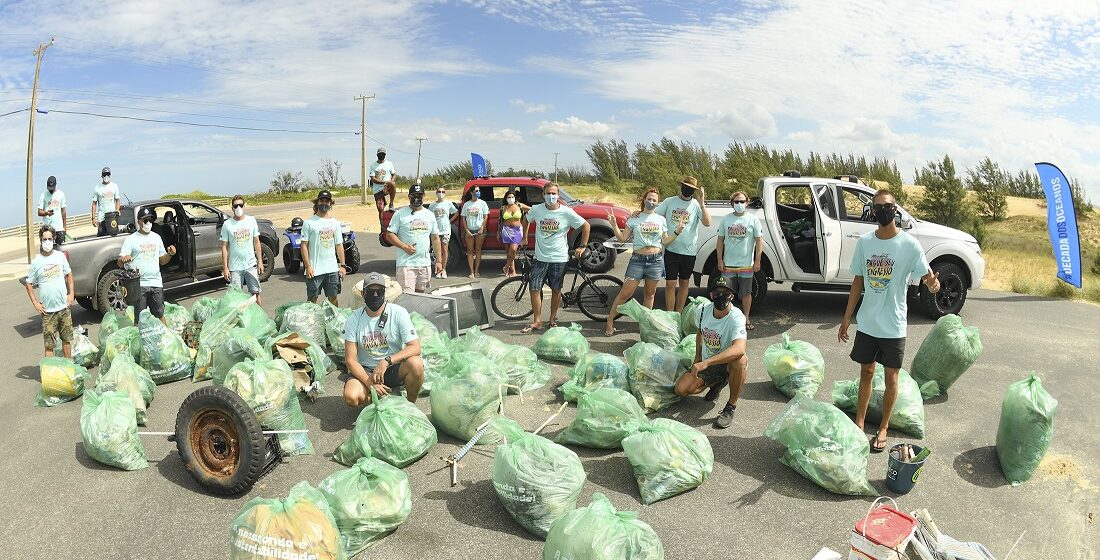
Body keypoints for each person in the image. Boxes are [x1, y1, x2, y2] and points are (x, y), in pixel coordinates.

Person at [838, 189, 941, 453]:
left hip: (894, 325)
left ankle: (883, 427)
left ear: (895, 209)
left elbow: (929, 277)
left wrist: (933, 284)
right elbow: (858, 281)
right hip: (869, 323)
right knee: (866, 372)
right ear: (873, 211)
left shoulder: (909, 245)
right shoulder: (865, 243)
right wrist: (847, 318)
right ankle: (859, 423)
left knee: (891, 378)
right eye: (878, 207)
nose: (883, 210)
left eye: (888, 206)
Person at [604, 188, 684, 336]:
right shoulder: (635, 218)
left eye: (654, 200)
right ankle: (610, 321)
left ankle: (645, 327)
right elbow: (622, 239)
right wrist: (614, 225)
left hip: (656, 260)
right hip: (638, 260)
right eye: (649, 199)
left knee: (650, 295)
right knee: (625, 293)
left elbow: (665, 241)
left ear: (658, 203)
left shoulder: (660, 219)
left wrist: (677, 231)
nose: (651, 202)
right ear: (644, 200)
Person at [673, 276, 748, 429]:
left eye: (725, 293)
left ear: (732, 295)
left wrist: (706, 363)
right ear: (711, 295)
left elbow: (739, 349)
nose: (721, 296)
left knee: (739, 361)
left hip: (726, 362)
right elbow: (700, 331)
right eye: (717, 292)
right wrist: (698, 358)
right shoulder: (701, 311)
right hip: (709, 361)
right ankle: (717, 382)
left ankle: (730, 407)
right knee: (681, 389)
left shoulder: (736, 316)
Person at [343, 272, 425, 406]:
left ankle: (410, 405)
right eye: (371, 291)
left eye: (379, 291)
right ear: (364, 294)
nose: (375, 295)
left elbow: (415, 347)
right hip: (366, 370)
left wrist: (386, 361)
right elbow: (350, 360)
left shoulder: (399, 313)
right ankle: (379, 399)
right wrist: (370, 383)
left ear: (384, 292)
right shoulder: (353, 319)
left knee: (416, 364)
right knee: (351, 397)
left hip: (392, 367)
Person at [520, 182, 590, 333]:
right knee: (534, 288)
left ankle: (552, 319)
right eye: (548, 193)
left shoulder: (566, 212)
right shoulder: (536, 210)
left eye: (554, 193)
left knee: (556, 289)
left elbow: (586, 225)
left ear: (558, 195)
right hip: (540, 257)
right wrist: (524, 237)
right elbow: (526, 219)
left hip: (559, 257)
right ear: (543, 195)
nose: (551, 196)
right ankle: (537, 321)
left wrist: (582, 245)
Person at [655, 175, 711, 312]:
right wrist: (640, 213)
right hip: (671, 249)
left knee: (684, 283)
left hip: (689, 251)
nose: (688, 190)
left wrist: (702, 204)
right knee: (670, 284)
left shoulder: (696, 205)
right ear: (681, 186)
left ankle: (678, 314)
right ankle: (670, 315)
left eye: (691, 189)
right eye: (686, 187)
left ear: (694, 191)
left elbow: (707, 222)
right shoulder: (669, 202)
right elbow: (654, 215)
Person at [117, 207, 177, 327]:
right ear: (138, 221)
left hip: (156, 283)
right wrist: (124, 259)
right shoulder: (131, 239)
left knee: (159, 315)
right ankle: (140, 343)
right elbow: (119, 262)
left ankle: (164, 339)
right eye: (145, 220)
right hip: (140, 285)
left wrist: (170, 254)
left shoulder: (156, 237)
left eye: (150, 220)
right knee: (140, 319)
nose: (148, 223)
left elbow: (162, 261)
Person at [23, 227, 74, 358]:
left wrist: (71, 293)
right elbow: (28, 283)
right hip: (48, 312)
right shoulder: (36, 262)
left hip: (63, 308)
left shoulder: (60, 256)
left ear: (54, 239)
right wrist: (35, 303)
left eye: (49, 239)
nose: (47, 242)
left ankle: (69, 367)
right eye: (44, 239)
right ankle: (50, 373)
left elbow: (69, 274)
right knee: (49, 345)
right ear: (40, 241)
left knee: (66, 340)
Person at [716, 191, 764, 330]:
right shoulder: (725, 219)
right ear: (732, 203)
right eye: (736, 202)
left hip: (746, 265)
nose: (739, 204)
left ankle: (746, 318)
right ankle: (726, 319)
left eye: (742, 201)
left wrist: (757, 261)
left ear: (747, 203)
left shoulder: (753, 219)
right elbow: (720, 241)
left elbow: (759, 241)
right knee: (725, 293)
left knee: (746, 293)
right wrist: (720, 260)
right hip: (728, 265)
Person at [386, 184, 443, 293]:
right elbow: (389, 234)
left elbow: (435, 238)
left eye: (419, 195)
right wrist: (404, 247)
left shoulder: (429, 215)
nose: (416, 198)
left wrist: (439, 261)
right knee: (407, 298)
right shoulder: (400, 214)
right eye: (414, 195)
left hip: (424, 264)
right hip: (406, 265)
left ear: (424, 196)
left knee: (420, 297)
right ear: (409, 196)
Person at [300, 190, 347, 305]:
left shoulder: (335, 223)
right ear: (317, 202)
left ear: (331, 204)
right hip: (314, 270)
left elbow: (339, 245)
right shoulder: (309, 223)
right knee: (312, 300)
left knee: (333, 298)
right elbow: (303, 246)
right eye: (322, 200)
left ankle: (334, 321)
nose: (324, 203)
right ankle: (310, 322)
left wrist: (343, 266)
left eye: (327, 201)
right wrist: (308, 266)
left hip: (332, 269)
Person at [220, 195, 264, 304]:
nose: (238, 208)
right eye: (236, 206)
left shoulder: (251, 220)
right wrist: (225, 268)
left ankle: (259, 319)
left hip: (250, 264)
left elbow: (257, 242)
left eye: (240, 205)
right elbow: (224, 247)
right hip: (235, 267)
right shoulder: (227, 224)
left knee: (256, 292)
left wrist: (260, 262)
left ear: (244, 206)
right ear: (232, 208)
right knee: (236, 297)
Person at [429, 185, 459, 278]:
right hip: (436, 231)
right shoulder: (432, 205)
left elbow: (456, 212)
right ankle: (438, 270)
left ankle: (444, 269)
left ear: (445, 194)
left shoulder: (448, 203)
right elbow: (429, 216)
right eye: (439, 192)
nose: (441, 194)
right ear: (436, 193)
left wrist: (450, 221)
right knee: (437, 250)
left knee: (445, 249)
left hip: (446, 230)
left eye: (442, 192)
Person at [498, 189, 530, 277]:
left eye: (512, 197)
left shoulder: (519, 205)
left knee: (513, 249)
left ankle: (506, 266)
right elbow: (500, 221)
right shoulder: (503, 208)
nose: (511, 198)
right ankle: (512, 271)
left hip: (517, 231)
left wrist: (528, 219)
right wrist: (498, 232)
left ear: (515, 198)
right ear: (506, 198)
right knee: (508, 252)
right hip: (506, 231)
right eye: (509, 197)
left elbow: (532, 210)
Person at [460, 185, 489, 278]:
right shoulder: (466, 204)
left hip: (480, 230)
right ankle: (471, 271)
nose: (478, 192)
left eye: (479, 190)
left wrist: (481, 228)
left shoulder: (483, 203)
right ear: (471, 192)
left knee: (478, 250)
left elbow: (486, 217)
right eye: (476, 191)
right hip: (469, 230)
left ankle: (477, 270)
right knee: (470, 251)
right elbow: (463, 219)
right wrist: (466, 230)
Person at [91, 167, 121, 237]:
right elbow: (94, 204)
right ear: (102, 176)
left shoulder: (114, 186)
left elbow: (117, 200)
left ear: (110, 175)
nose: (106, 176)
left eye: (107, 174)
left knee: (113, 236)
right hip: (102, 218)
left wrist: (117, 210)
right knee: (102, 237)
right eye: (104, 174)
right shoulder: (97, 187)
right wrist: (93, 218)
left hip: (112, 216)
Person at [38, 176, 68, 246]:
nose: (50, 190)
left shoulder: (61, 194)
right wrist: (46, 213)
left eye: (52, 188)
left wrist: (64, 227)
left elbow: (63, 211)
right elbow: (39, 212)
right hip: (47, 229)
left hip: (59, 228)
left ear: (55, 185)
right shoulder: (43, 195)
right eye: (49, 188)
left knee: (61, 249)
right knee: (47, 250)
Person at [369, 148, 398, 219]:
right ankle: (382, 226)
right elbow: (373, 179)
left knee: (393, 184)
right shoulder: (373, 165)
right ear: (377, 155)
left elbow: (394, 174)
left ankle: (391, 204)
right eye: (380, 154)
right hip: (378, 190)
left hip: (387, 186)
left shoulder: (389, 164)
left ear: (385, 155)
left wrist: (390, 182)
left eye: (382, 154)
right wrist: (385, 182)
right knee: (380, 208)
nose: (381, 155)